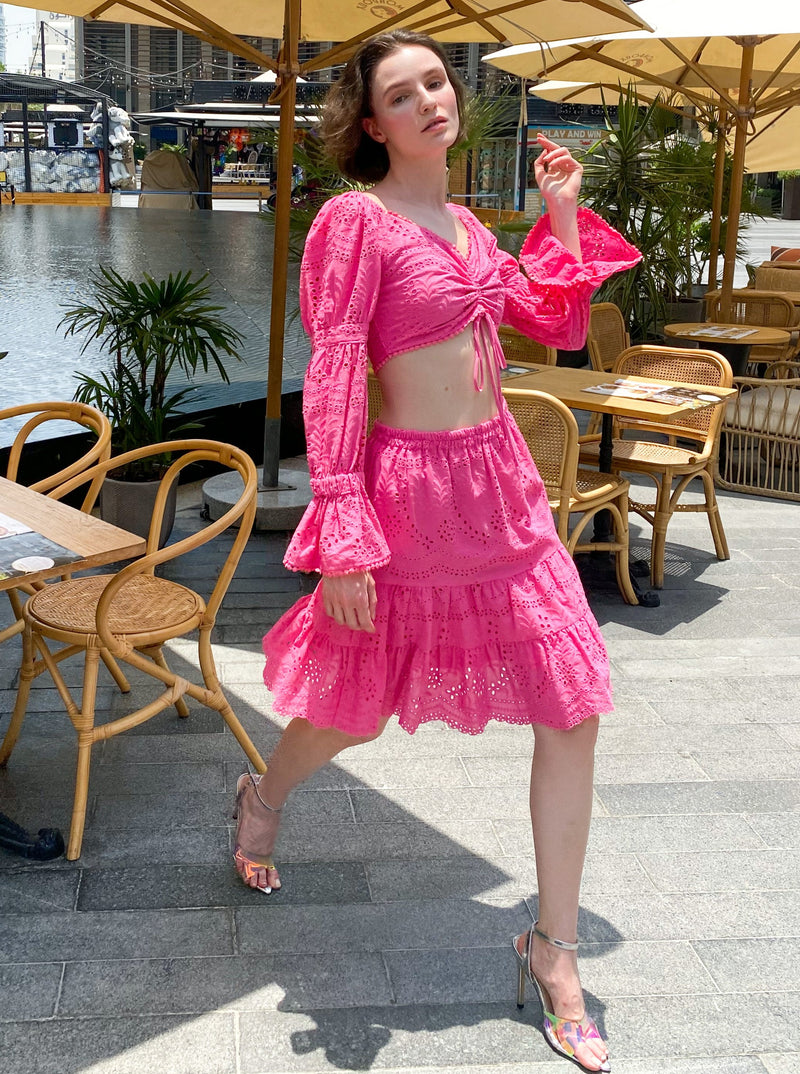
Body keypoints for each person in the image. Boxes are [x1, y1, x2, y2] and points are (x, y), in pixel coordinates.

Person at [232, 29, 640, 1074]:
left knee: (573, 707)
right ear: (371, 124)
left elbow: (545, 323)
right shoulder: (355, 221)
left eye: (434, 82)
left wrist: (556, 216)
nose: (426, 100)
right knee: (348, 710)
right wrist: (343, 530)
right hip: (403, 499)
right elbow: (330, 374)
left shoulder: (465, 222)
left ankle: (551, 951)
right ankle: (264, 798)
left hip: (501, 489)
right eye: (399, 93)